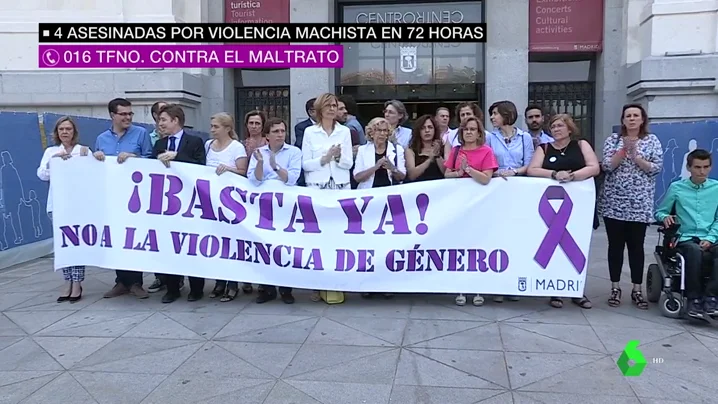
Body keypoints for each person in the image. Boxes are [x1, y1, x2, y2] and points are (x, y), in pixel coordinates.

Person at [527, 113, 600, 309]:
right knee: (555, 249)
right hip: (552, 208)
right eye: (553, 126)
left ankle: (577, 290)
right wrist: (553, 174)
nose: (556, 129)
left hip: (578, 207)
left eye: (560, 126)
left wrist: (573, 176)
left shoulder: (581, 145)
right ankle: (556, 290)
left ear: (570, 128)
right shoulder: (544, 148)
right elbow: (532, 169)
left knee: (577, 246)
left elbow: (594, 167)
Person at [598, 103, 664, 309]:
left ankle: (637, 289)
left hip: (639, 204)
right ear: (623, 120)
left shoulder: (651, 140)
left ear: (643, 119)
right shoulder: (613, 140)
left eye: (636, 115)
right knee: (615, 247)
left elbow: (655, 168)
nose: (632, 119)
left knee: (636, 247)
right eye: (628, 115)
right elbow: (607, 166)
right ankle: (615, 287)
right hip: (614, 203)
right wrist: (623, 150)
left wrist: (636, 155)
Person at [93, 98, 152, 299]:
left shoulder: (141, 133)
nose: (127, 117)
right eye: (123, 114)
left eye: (130, 114)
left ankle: (136, 282)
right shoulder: (101, 138)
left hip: (135, 196)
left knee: (133, 237)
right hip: (111, 196)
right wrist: (96, 156)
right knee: (115, 238)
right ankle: (121, 281)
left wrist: (135, 159)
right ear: (112, 116)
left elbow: (151, 159)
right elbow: (96, 167)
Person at [151, 104, 207, 303]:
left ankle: (196, 288)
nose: (160, 124)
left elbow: (201, 167)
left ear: (175, 120)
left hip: (190, 203)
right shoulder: (159, 144)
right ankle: (172, 287)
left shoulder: (195, 141)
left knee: (191, 245)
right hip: (166, 204)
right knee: (169, 245)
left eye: (163, 119)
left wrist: (177, 157)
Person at [301, 93, 354, 304]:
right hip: (317, 189)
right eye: (328, 105)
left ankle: (338, 283)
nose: (332, 109)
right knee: (318, 239)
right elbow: (306, 164)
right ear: (320, 109)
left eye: (335, 105)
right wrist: (325, 158)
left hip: (340, 188)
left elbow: (349, 163)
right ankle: (318, 284)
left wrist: (338, 157)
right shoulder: (309, 132)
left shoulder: (345, 132)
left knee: (339, 238)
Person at [655, 149, 718, 317]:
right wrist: (666, 216)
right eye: (697, 167)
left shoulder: (716, 188)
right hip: (685, 237)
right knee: (694, 251)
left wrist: (710, 238)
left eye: (706, 167)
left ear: (710, 167)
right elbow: (660, 212)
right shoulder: (677, 188)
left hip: (711, 236)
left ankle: (711, 297)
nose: (702, 171)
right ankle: (694, 299)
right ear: (689, 168)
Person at [444, 116, 498, 307]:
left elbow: (486, 179)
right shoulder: (456, 150)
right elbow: (447, 174)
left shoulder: (486, 152)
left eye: (473, 129)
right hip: (459, 205)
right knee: (460, 244)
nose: (469, 132)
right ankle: (460, 286)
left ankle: (478, 287)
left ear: (479, 133)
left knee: (478, 245)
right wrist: (457, 173)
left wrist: (469, 169)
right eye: (466, 129)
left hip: (480, 205)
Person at [248, 117, 303, 304]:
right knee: (265, 245)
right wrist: (261, 163)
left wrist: (275, 165)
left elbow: (292, 179)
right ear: (267, 136)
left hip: (285, 207)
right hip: (263, 207)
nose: (280, 134)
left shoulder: (294, 152)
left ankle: (286, 288)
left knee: (285, 246)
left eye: (282, 131)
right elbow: (254, 180)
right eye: (276, 131)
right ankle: (266, 288)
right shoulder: (258, 153)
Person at [36, 116, 90, 303]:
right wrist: (55, 162)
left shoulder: (82, 150)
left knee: (77, 243)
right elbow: (42, 174)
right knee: (63, 244)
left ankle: (77, 282)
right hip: (57, 204)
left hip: (78, 205)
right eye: (61, 129)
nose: (65, 132)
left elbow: (92, 172)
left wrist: (92, 157)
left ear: (74, 131)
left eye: (68, 129)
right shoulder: (51, 152)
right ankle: (67, 280)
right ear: (57, 133)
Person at [485, 100, 534, 303]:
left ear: (506, 114)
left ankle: (514, 282)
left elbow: (530, 163)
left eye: (495, 113)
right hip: (496, 190)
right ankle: (498, 284)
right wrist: (496, 173)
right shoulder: (489, 137)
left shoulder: (525, 137)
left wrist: (514, 171)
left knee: (517, 237)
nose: (492, 118)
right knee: (497, 237)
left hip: (518, 190)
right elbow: (485, 160)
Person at [204, 112, 249, 302]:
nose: (212, 129)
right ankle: (219, 282)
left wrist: (228, 169)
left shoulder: (236, 147)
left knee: (230, 244)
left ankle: (232, 284)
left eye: (216, 126)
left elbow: (243, 172)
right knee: (216, 244)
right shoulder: (208, 145)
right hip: (211, 201)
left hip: (230, 202)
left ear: (227, 128)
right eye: (212, 126)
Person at [239, 109, 268, 295]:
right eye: (251, 123)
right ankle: (247, 278)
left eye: (258, 123)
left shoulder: (268, 143)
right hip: (244, 194)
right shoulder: (241, 144)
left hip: (264, 195)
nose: (254, 126)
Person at [353, 117, 406, 189]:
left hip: (390, 193)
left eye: (385, 130)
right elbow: (357, 177)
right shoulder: (362, 150)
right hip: (368, 193)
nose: (382, 133)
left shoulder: (398, 149)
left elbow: (402, 177)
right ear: (371, 133)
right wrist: (376, 167)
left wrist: (392, 168)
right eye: (378, 130)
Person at [405, 114, 445, 182]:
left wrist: (437, 155)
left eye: (430, 127)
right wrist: (430, 159)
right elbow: (412, 175)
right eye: (423, 128)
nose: (427, 130)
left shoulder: (443, 148)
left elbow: (446, 173)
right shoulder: (411, 151)